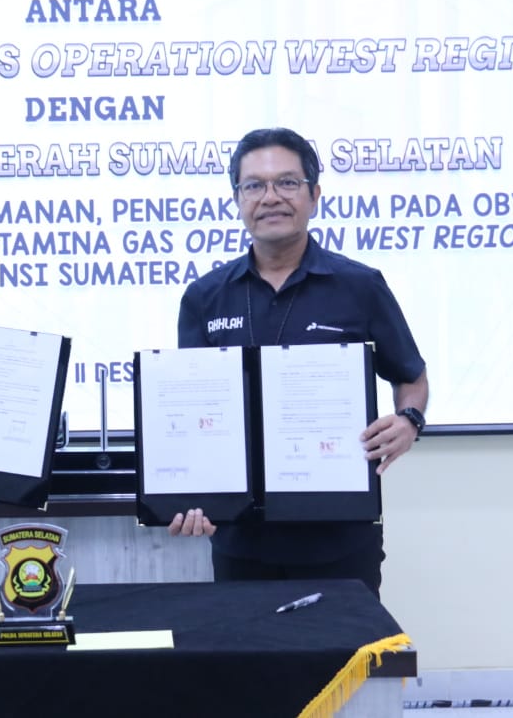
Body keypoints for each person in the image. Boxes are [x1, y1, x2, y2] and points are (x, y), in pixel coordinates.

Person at [168, 126, 428, 598]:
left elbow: (411, 376)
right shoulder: (205, 297)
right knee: (246, 649)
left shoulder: (360, 286)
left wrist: (409, 421)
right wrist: (190, 495)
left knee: (344, 646)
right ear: (237, 199)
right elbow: (194, 417)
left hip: (341, 538)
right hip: (242, 542)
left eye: (287, 182)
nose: (270, 197)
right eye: (254, 185)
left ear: (314, 196)